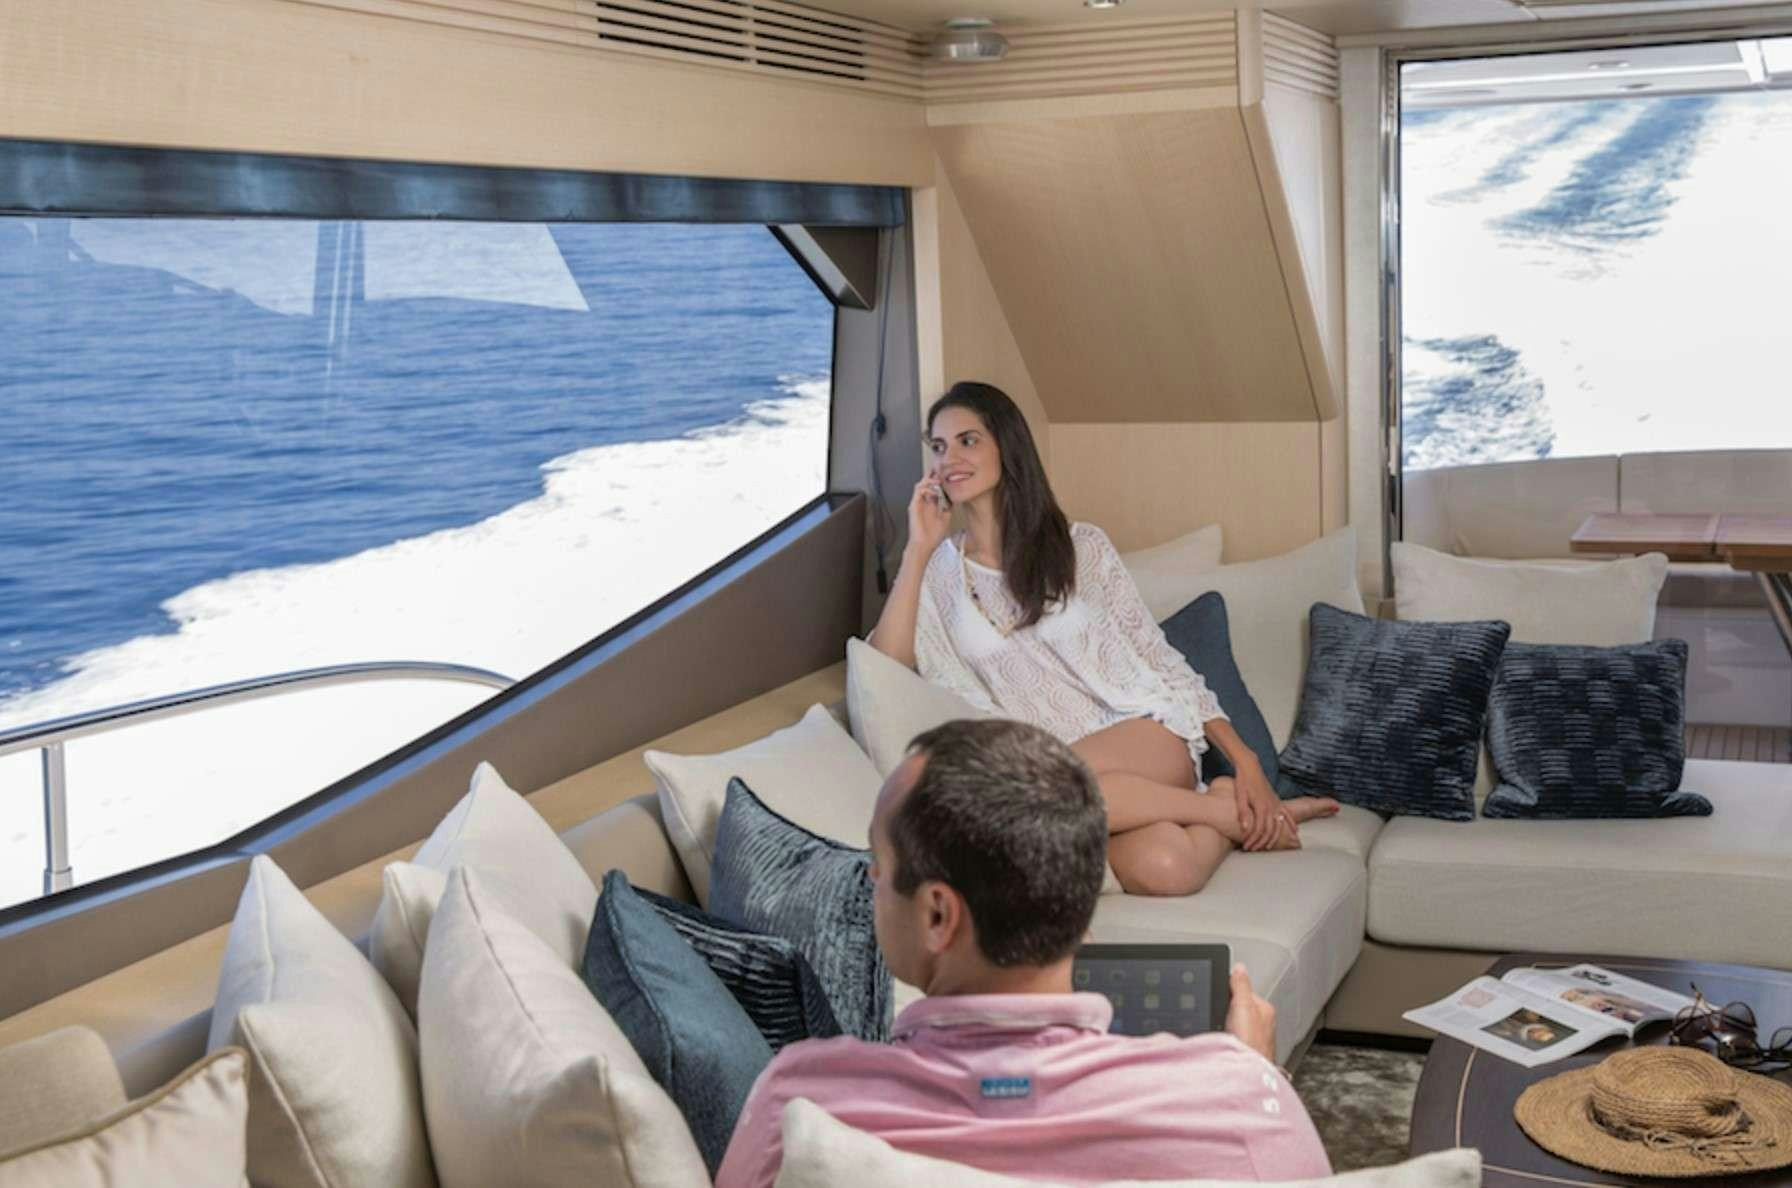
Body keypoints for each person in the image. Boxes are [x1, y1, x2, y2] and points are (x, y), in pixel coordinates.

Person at [713, 719, 1332, 1188]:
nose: (871, 884)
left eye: (878, 869)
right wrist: (1257, 1077)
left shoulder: (798, 1103)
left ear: (936, 914)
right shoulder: (1238, 1104)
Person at [868, 380, 1337, 896]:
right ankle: (1227, 810)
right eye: (938, 447)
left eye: (967, 440)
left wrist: (1245, 759)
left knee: (1030, 789)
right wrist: (917, 548)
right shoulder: (938, 575)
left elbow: (1158, 656)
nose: (949, 457)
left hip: (1142, 736)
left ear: (1007, 446)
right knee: (1166, 869)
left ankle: (1226, 800)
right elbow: (883, 668)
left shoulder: (1079, 547)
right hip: (1063, 772)